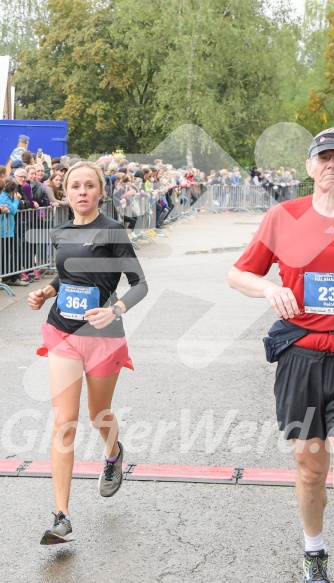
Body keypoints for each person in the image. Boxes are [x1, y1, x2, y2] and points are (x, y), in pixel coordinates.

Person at [228, 126, 334, 583]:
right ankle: (313, 548)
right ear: (309, 167)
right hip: (299, 360)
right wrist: (268, 287)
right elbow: (238, 275)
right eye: (324, 158)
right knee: (311, 470)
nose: (332, 165)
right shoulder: (284, 216)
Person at [28, 161, 148, 545]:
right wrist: (45, 292)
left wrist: (115, 309)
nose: (81, 192)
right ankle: (61, 515)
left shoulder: (113, 231)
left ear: (100, 191)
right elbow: (67, 275)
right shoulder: (60, 231)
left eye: (89, 185)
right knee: (64, 420)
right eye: (74, 186)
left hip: (103, 335)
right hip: (62, 330)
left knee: (99, 414)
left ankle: (113, 453)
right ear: (65, 192)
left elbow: (139, 284)